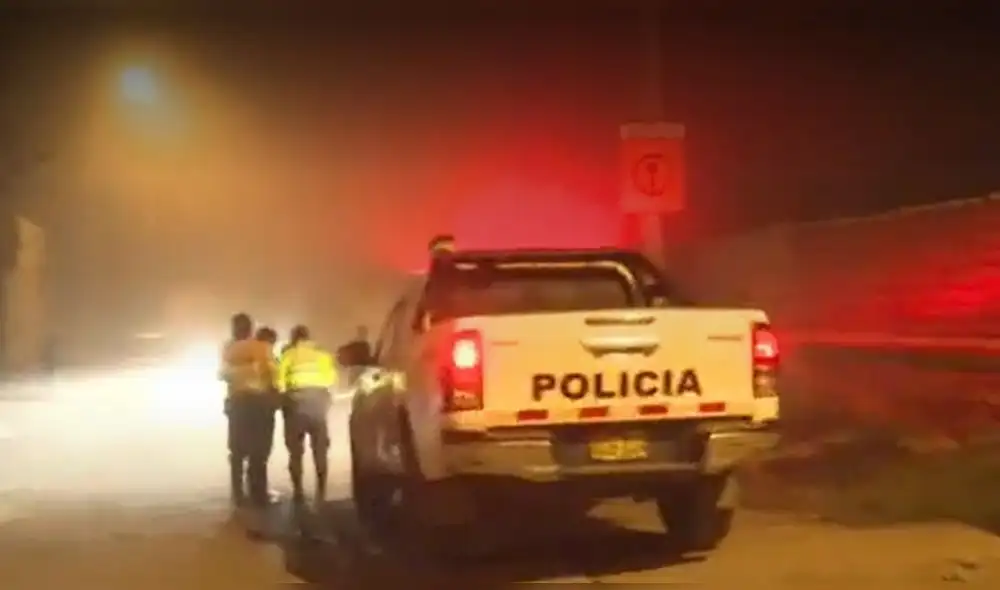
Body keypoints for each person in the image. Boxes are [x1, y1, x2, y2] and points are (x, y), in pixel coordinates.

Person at [219, 313, 276, 508]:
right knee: (259, 450)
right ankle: (258, 493)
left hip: (237, 402)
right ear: (250, 329)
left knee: (236, 451)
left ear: (234, 329)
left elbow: (222, 374)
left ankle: (238, 494)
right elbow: (272, 372)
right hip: (259, 402)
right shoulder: (261, 347)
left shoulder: (228, 349)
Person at [277, 324, 337, 505]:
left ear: (294, 339)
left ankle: (298, 491)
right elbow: (331, 379)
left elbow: (280, 383)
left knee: (295, 451)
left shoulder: (288, 355)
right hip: (318, 403)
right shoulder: (323, 355)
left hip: (296, 403)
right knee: (320, 449)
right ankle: (321, 489)